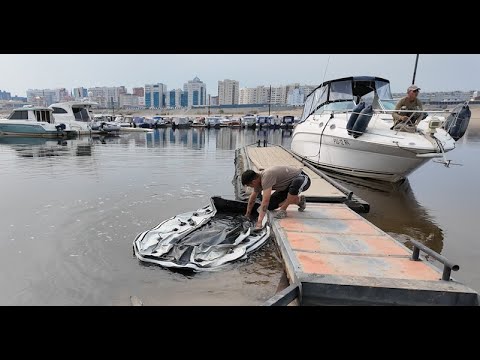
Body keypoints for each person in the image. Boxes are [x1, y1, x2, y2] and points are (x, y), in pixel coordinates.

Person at [241, 165, 311, 229]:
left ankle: (283, 210)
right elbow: (252, 199)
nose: (251, 187)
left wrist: (259, 223)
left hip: (302, 178)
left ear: (253, 182)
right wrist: (247, 214)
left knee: (295, 186)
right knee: (270, 205)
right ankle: (299, 201)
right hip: (286, 187)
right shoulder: (258, 182)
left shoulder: (266, 177)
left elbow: (265, 201)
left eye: (250, 186)